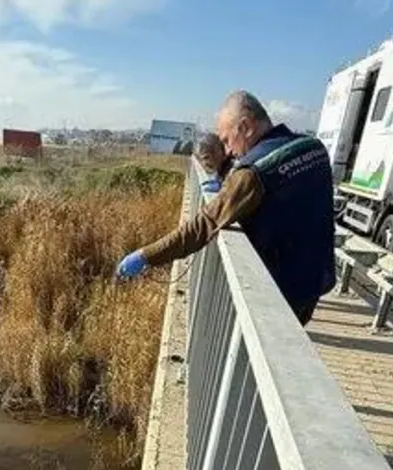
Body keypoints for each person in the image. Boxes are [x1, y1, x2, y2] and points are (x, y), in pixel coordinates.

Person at [116, 91, 336, 325]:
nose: (228, 151)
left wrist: (145, 256)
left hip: (281, 288)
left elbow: (201, 227)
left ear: (245, 126)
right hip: (318, 275)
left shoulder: (253, 172)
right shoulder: (313, 147)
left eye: (226, 140)